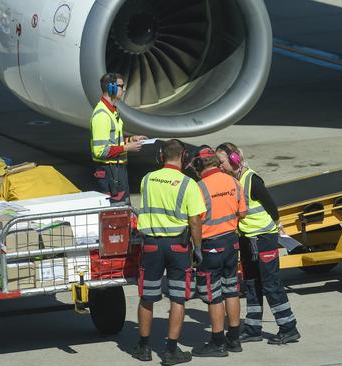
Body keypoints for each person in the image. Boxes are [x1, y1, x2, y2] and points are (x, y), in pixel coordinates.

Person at [215, 142, 301, 345]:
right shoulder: (232, 180)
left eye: (221, 162)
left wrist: (277, 228)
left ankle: (289, 328)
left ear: (234, 159)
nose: (219, 167)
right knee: (251, 284)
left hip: (263, 239)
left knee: (271, 284)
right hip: (247, 239)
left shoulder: (252, 180)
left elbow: (272, 208)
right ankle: (253, 328)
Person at [132, 139, 205, 365]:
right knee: (178, 298)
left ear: (161, 156)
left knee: (147, 296)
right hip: (178, 247)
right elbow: (194, 221)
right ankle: (171, 351)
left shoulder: (147, 180)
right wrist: (198, 250)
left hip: (152, 245)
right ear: (184, 157)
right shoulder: (188, 184)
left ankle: (144, 348)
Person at [187, 145, 246, 357]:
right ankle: (234, 338)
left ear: (199, 166)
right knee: (231, 290)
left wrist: (196, 249)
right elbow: (243, 213)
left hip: (211, 245)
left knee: (213, 295)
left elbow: (194, 220)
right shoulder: (233, 181)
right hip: (232, 243)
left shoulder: (199, 187)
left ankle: (218, 342)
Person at [89, 72, 146, 204]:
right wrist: (126, 148)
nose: (124, 89)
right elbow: (100, 151)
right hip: (110, 172)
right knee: (116, 209)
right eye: (121, 86)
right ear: (112, 88)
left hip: (116, 170)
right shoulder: (102, 115)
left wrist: (130, 140)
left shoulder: (111, 111)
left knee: (123, 207)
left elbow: (113, 140)